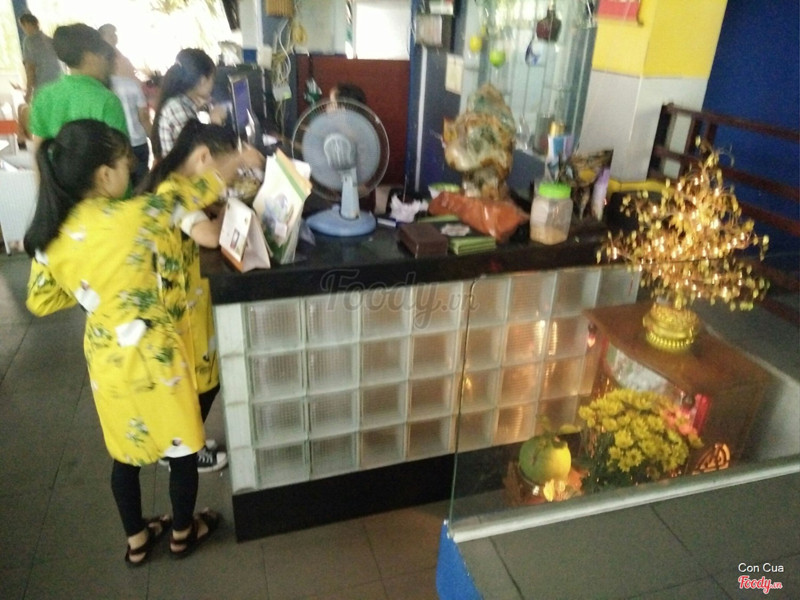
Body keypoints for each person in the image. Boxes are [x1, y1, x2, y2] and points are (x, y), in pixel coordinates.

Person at [23, 119, 250, 564]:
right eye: (125, 165)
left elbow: (40, 299)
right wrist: (240, 158)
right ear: (104, 174)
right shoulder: (134, 216)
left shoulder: (51, 234)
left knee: (124, 455)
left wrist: (94, 293)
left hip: (106, 359)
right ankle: (183, 532)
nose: (130, 174)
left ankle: (138, 540)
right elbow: (194, 191)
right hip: (155, 355)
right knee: (183, 449)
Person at [138, 120, 265, 472]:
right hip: (179, 310)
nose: (222, 181)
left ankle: (185, 441)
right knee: (200, 384)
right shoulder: (171, 190)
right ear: (203, 157)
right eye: (222, 172)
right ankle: (180, 450)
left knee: (201, 380)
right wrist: (227, 214)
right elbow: (208, 235)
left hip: (187, 301)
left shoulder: (177, 182)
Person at [28, 23, 127, 152]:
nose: (106, 63)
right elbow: (121, 155)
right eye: (103, 56)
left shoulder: (44, 96)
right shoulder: (107, 100)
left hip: (55, 166)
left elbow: (39, 152)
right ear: (89, 57)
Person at [151, 48, 226, 161]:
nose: (213, 85)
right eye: (212, 79)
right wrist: (215, 122)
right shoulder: (178, 108)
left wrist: (198, 106)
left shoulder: (180, 102)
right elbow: (198, 154)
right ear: (202, 81)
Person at [18, 13, 63, 104]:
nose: (23, 29)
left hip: (43, 87)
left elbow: (30, 69)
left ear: (27, 24)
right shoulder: (49, 40)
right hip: (59, 84)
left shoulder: (29, 41)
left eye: (23, 26)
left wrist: (28, 93)